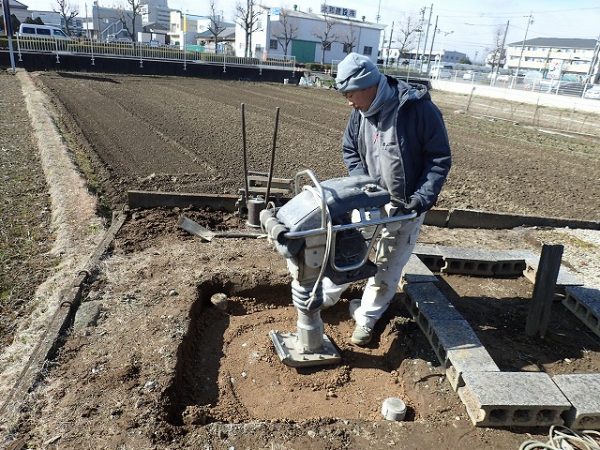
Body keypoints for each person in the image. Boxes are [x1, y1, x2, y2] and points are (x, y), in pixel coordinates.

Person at [322, 52, 452, 346]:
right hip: (367, 200)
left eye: (350, 94)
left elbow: (438, 158)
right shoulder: (360, 113)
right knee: (348, 252)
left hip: (405, 206)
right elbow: (350, 150)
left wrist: (421, 198)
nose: (348, 101)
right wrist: (363, 184)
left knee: (388, 264)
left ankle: (366, 320)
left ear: (368, 85)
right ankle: (325, 299)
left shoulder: (417, 110)